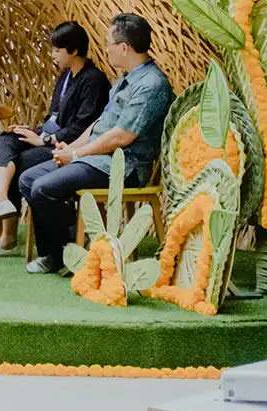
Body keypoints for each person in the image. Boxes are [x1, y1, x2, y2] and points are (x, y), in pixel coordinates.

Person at [19, 14, 175, 274]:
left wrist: (77, 153)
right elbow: (100, 123)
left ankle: (74, 251)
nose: (106, 49)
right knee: (28, 179)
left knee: (43, 188)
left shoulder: (151, 85)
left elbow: (122, 136)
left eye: (108, 44)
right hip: (96, 158)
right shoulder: (124, 79)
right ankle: (62, 251)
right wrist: (71, 149)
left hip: (122, 166)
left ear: (124, 47)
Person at [0, 22, 110, 256]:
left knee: (18, 163)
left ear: (73, 51)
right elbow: (53, 116)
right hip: (48, 136)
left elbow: (83, 126)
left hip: (66, 147)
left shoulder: (93, 80)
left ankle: (7, 238)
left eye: (57, 50)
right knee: (4, 140)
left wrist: (44, 140)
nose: (52, 55)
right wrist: (32, 131)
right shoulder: (65, 76)